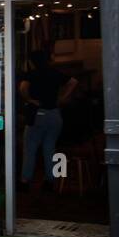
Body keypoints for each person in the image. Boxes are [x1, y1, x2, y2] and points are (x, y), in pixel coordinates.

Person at [18, 50, 77, 189]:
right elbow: (73, 82)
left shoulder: (31, 74)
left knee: (30, 148)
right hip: (55, 114)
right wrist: (63, 98)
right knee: (50, 148)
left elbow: (22, 88)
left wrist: (29, 99)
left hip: (38, 114)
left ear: (32, 62)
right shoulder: (54, 72)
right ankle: (50, 181)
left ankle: (25, 181)